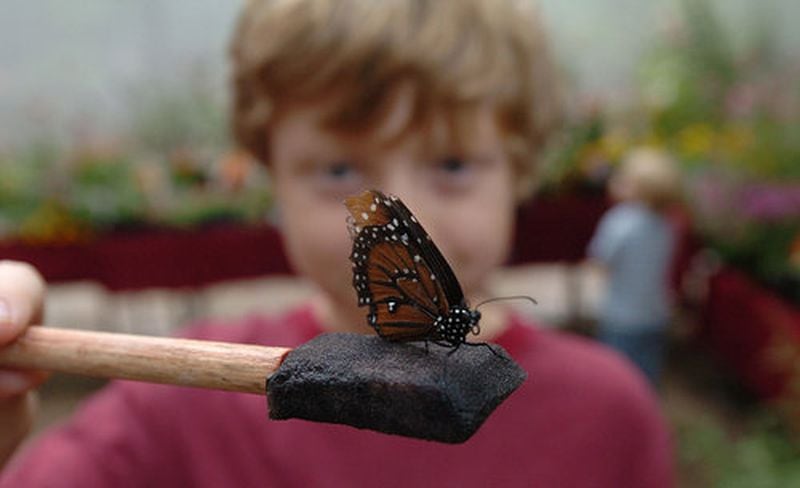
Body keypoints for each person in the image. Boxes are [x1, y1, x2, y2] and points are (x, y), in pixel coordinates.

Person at [0, 1, 674, 486]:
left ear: (522, 170)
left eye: (454, 165)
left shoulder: (608, 413)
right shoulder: (178, 399)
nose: (418, 217)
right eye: (340, 172)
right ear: (270, 179)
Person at [588, 147, 682, 387]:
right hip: (655, 313)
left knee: (616, 377)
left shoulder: (620, 221)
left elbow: (600, 260)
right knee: (647, 377)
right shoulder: (666, 225)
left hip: (622, 315)